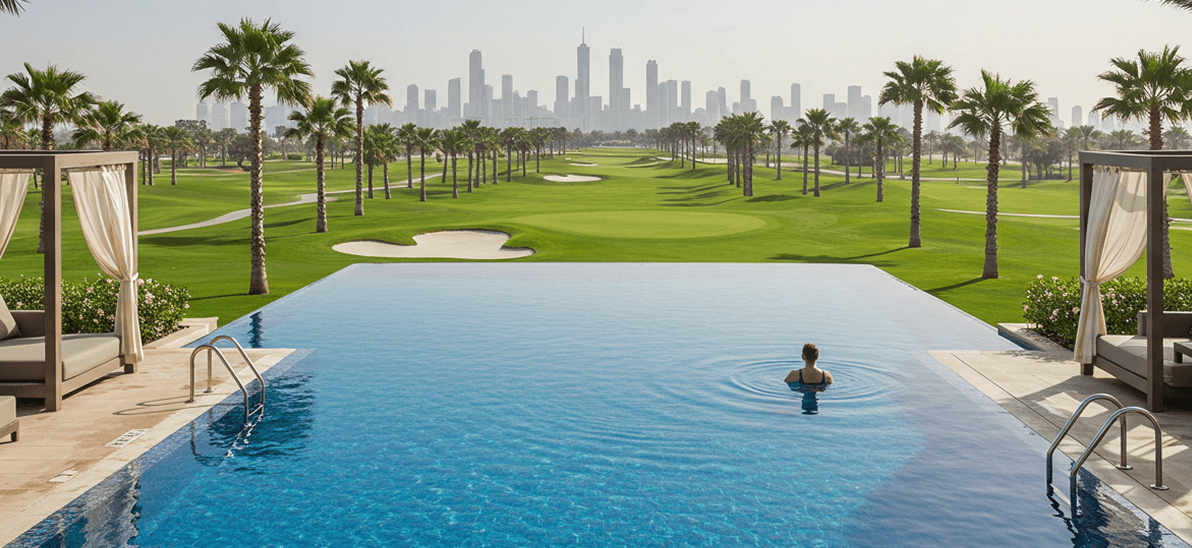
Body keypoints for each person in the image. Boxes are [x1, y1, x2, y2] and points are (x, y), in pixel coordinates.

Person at [784, 343, 833, 414]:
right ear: (817, 356)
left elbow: (786, 387)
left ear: (802, 357)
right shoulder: (826, 375)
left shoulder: (794, 374)